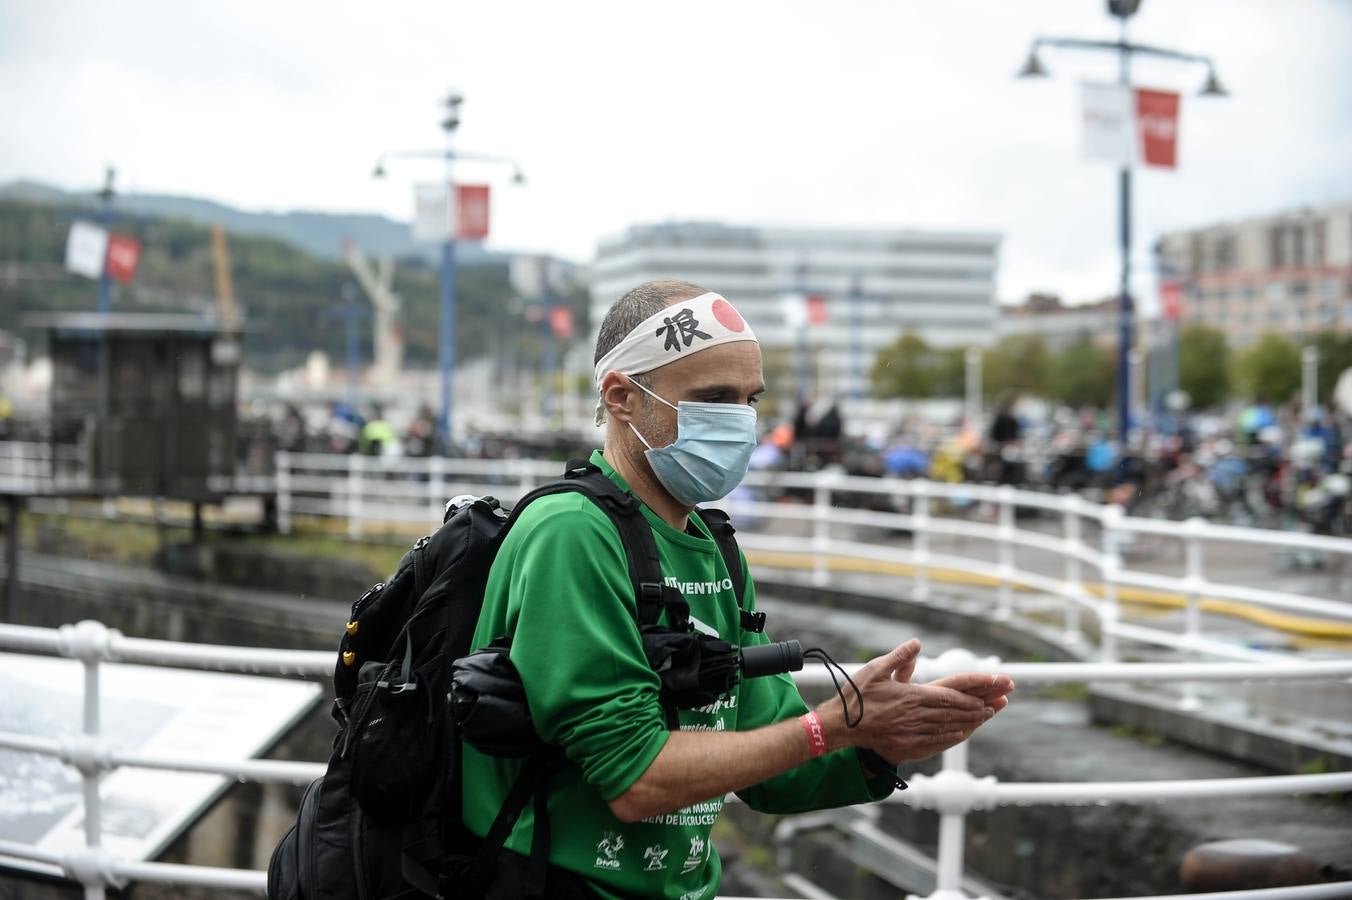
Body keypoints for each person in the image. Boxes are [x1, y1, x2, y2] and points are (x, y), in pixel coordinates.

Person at [461, 281, 1014, 900]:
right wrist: (830, 727)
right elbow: (634, 779)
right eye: (713, 397)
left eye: (750, 399)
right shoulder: (571, 533)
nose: (739, 421)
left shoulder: (713, 543)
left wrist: (876, 739)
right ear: (621, 397)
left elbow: (770, 766)